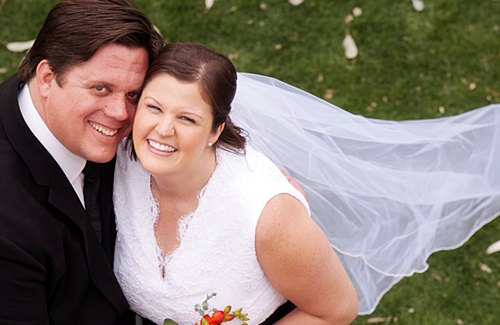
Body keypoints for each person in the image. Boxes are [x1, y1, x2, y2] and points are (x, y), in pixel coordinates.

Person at [112, 42, 360, 325]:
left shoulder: (268, 215)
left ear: (215, 131)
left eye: (187, 119)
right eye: (154, 107)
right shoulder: (119, 157)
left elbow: (336, 309)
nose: (164, 129)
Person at [0, 0, 163, 323]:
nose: (121, 114)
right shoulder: (8, 230)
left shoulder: (76, 119)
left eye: (133, 94)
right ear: (47, 76)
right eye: (100, 88)